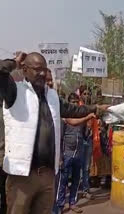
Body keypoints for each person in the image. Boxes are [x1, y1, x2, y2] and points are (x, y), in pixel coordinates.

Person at [0, 52, 109, 214]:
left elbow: (74, 110)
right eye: (37, 69)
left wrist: (95, 109)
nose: (43, 73)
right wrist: (15, 62)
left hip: (48, 176)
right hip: (22, 176)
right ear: (25, 70)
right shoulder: (15, 92)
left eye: (44, 69)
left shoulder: (52, 97)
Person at [56, 93, 96, 213]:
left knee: (75, 180)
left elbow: (84, 135)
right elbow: (64, 134)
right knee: (62, 182)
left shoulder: (82, 120)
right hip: (67, 154)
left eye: (76, 102)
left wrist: (88, 127)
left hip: (78, 154)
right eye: (72, 102)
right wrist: (60, 156)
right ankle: (59, 205)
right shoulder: (65, 118)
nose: (74, 104)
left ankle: (72, 203)